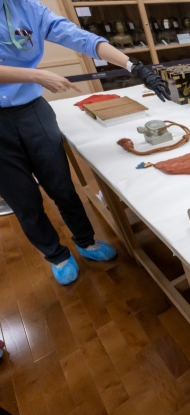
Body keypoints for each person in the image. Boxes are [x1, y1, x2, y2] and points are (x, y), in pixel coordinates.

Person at [0, 0, 171, 285]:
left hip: (31, 109)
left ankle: (86, 241)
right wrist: (35, 75)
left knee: (61, 185)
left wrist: (134, 65)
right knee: (24, 201)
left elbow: (80, 37)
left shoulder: (27, 7)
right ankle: (56, 256)